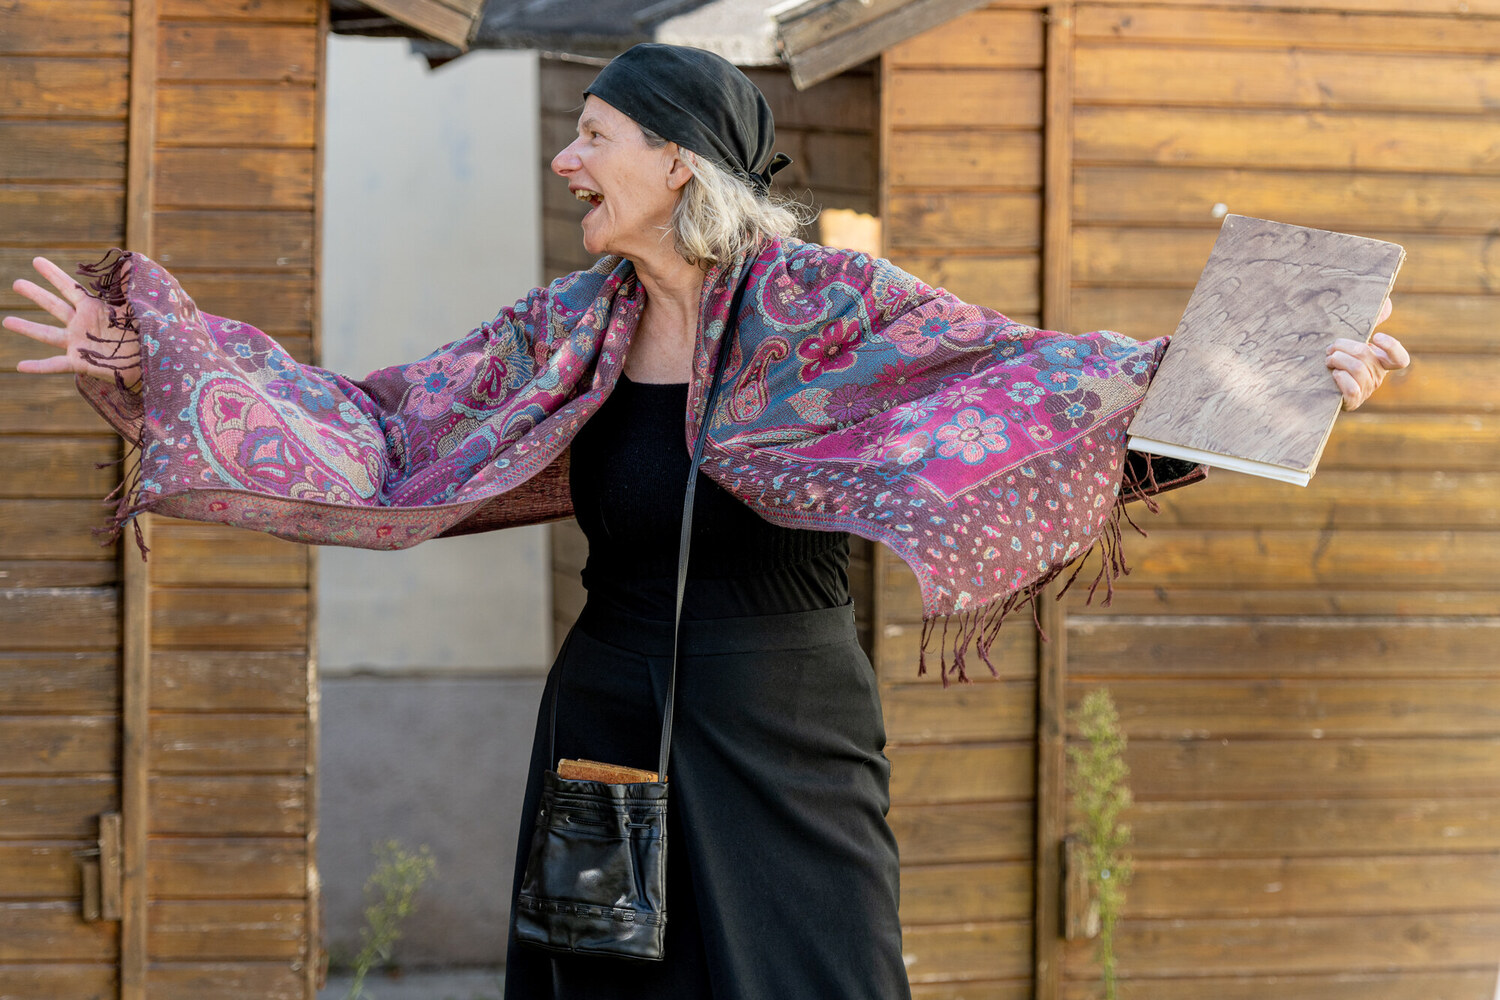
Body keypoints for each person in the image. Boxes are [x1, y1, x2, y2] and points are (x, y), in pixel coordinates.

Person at [4, 43, 1407, 1000]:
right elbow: (379, 429)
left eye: (592, 136)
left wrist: (1296, 374)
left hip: (789, 726)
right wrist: (157, 359)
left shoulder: (835, 314)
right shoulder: (565, 332)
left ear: (678, 163)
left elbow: (1039, 392)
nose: (567, 158)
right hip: (607, 714)